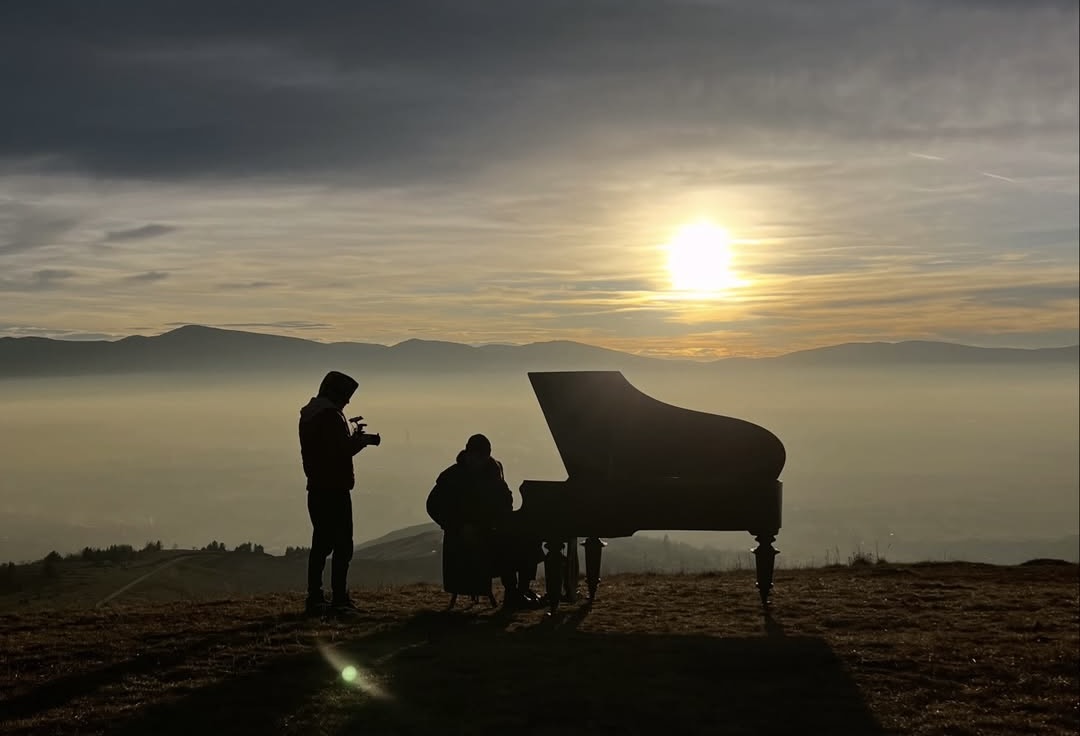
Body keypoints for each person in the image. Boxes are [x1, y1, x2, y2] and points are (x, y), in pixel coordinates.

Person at [426, 434, 542, 609]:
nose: (479, 461)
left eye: (483, 457)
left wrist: (502, 516)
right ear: (468, 453)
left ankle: (520, 592)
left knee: (529, 540)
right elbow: (433, 506)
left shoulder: (493, 472)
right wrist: (458, 526)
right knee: (508, 547)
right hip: (468, 541)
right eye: (476, 456)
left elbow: (506, 498)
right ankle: (514, 594)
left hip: (492, 530)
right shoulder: (452, 476)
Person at [298, 370, 375, 615]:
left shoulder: (311, 414)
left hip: (318, 487)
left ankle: (316, 596)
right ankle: (339, 598)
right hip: (335, 488)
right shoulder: (330, 416)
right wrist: (359, 442)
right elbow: (340, 451)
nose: (348, 402)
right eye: (346, 396)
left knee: (321, 542)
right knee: (342, 545)